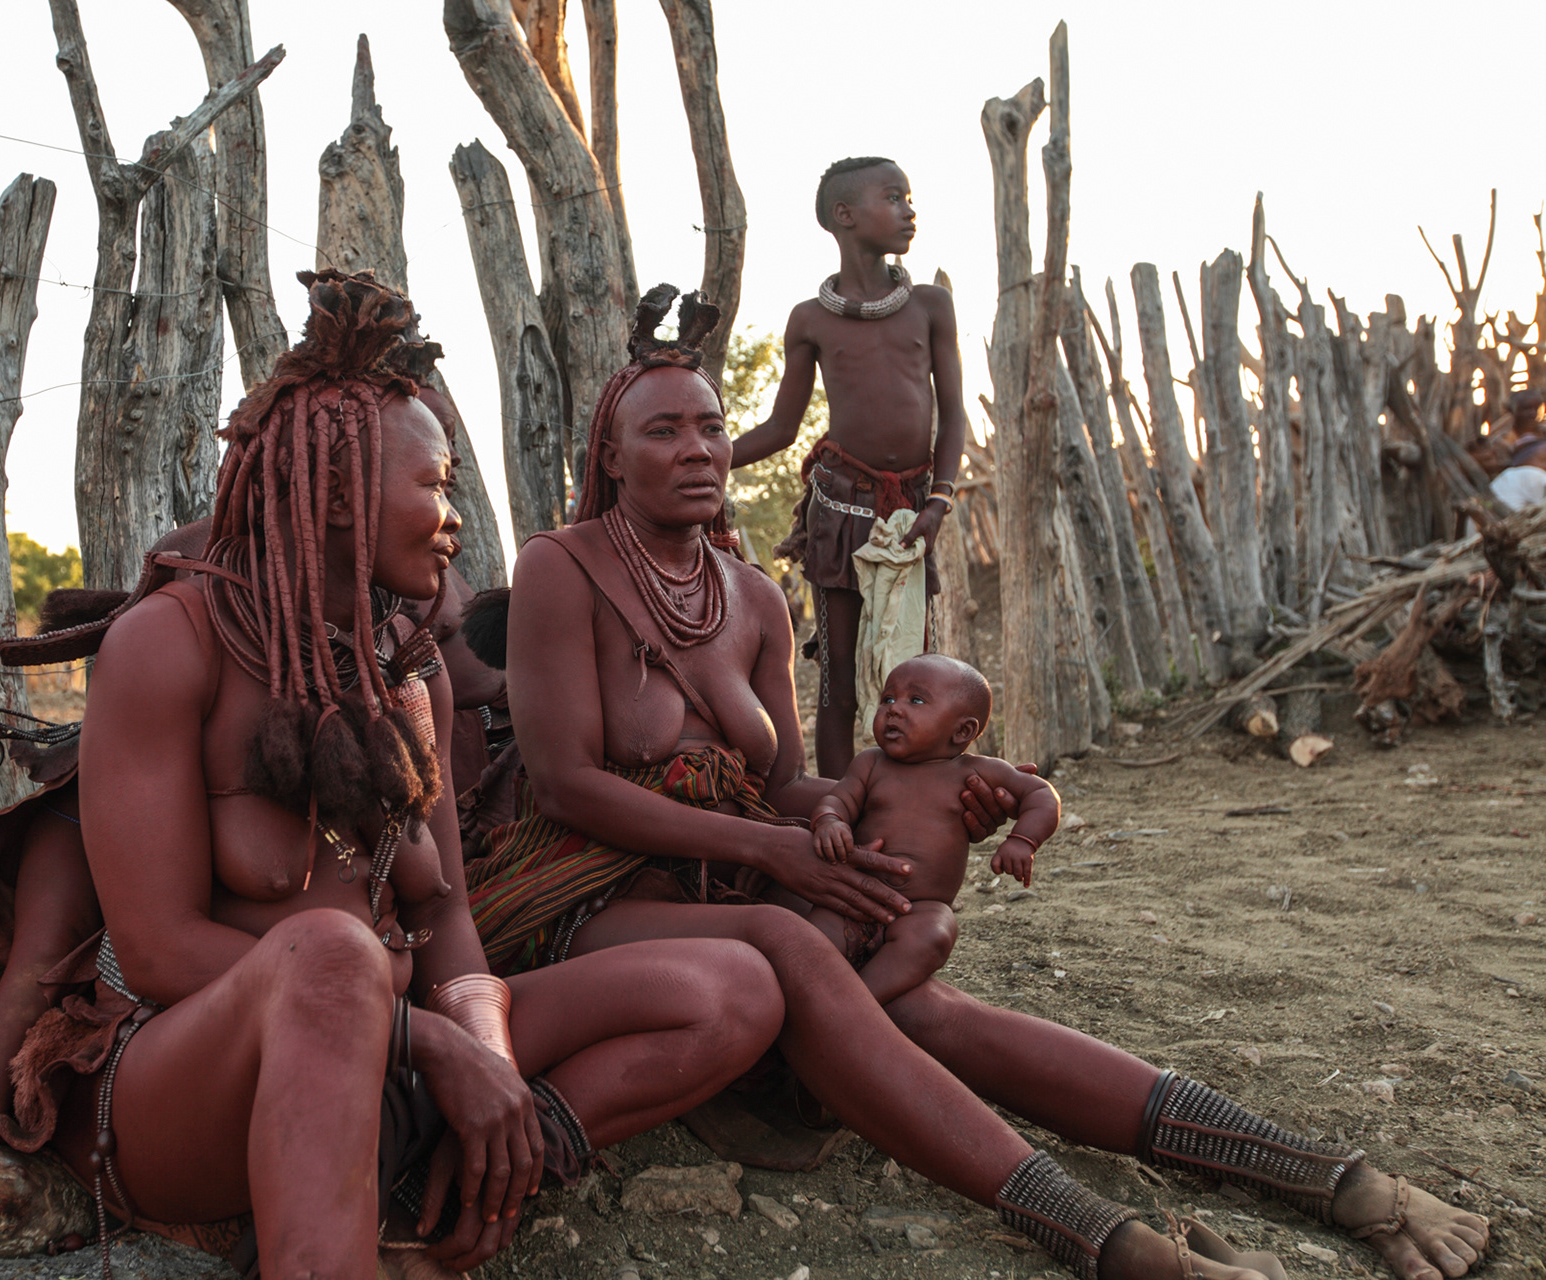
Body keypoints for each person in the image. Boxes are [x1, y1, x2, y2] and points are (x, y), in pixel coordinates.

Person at [469, 283, 1491, 1280]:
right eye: (661, 432)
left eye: (709, 426)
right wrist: (773, 849)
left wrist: (891, 809)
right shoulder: (564, 566)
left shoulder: (752, 596)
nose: (696, 449)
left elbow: (779, 783)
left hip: (725, 890)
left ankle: (1330, 1176)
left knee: (915, 1005)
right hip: (587, 893)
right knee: (799, 941)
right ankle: (1110, 1241)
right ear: (609, 453)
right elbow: (565, 786)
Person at [0, 272, 785, 1279]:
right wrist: (426, 1046)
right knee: (332, 954)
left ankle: (455, 1179)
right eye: (436, 487)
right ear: (343, 492)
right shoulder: (169, 646)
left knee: (735, 986)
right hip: (182, 1082)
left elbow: (444, 920)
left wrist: (482, 1064)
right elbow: (161, 945)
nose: (453, 518)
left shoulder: (405, 666)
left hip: (392, 1055)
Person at [729, 156, 964, 777]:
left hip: (912, 514)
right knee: (837, 678)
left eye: (909, 197)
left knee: (913, 675)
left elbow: (954, 418)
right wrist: (705, 458)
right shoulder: (811, 319)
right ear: (845, 216)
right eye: (895, 197)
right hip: (840, 510)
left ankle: (910, 807)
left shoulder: (931, 306)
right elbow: (783, 428)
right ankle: (836, 805)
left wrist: (938, 503)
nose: (910, 209)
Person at [798, 653, 1057, 1002]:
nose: (894, 708)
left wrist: (1023, 840)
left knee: (935, 933)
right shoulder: (870, 764)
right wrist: (829, 821)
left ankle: (862, 1001)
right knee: (809, 938)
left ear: (963, 730)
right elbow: (838, 800)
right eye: (888, 698)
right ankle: (813, 998)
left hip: (918, 908)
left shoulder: (976, 771)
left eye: (915, 700)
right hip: (854, 896)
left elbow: (1041, 794)